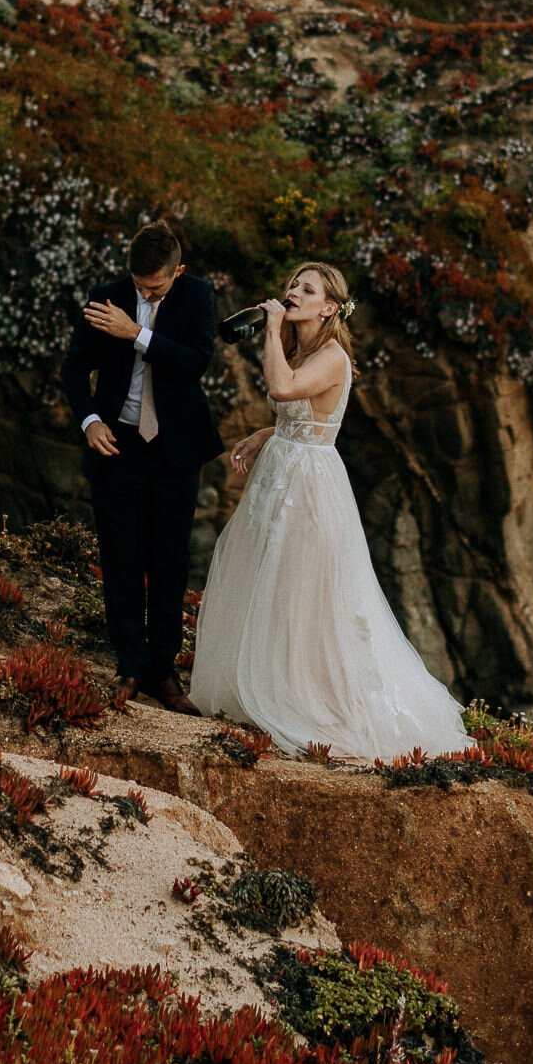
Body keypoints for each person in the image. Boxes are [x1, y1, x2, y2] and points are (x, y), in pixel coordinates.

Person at [189, 261, 467, 759]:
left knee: (302, 589)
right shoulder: (305, 348)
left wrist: (271, 326)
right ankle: (261, 683)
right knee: (268, 582)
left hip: (309, 487)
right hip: (280, 474)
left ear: (330, 307)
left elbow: (282, 389)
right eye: (292, 283)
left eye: (306, 288)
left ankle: (306, 698)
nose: (293, 291)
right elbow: (304, 417)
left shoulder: (333, 355)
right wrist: (264, 434)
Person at [62, 221, 222, 711]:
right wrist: (89, 420)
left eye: (154, 285)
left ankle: (163, 670)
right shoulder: (105, 296)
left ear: (179, 272)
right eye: (138, 284)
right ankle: (130, 666)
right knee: (121, 557)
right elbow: (73, 367)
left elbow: (196, 361)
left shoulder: (198, 296)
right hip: (118, 444)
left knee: (170, 560)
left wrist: (138, 334)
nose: (145, 291)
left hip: (174, 448)